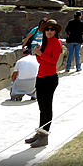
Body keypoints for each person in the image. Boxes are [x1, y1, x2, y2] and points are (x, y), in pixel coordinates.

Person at [25, 19, 61, 148]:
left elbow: (53, 61)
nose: (49, 31)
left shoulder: (56, 43)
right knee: (41, 107)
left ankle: (44, 136)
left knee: (47, 106)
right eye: (47, 29)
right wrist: (38, 54)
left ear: (56, 31)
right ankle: (40, 132)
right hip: (41, 76)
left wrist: (41, 54)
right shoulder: (45, 42)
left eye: (52, 29)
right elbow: (41, 61)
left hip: (50, 78)